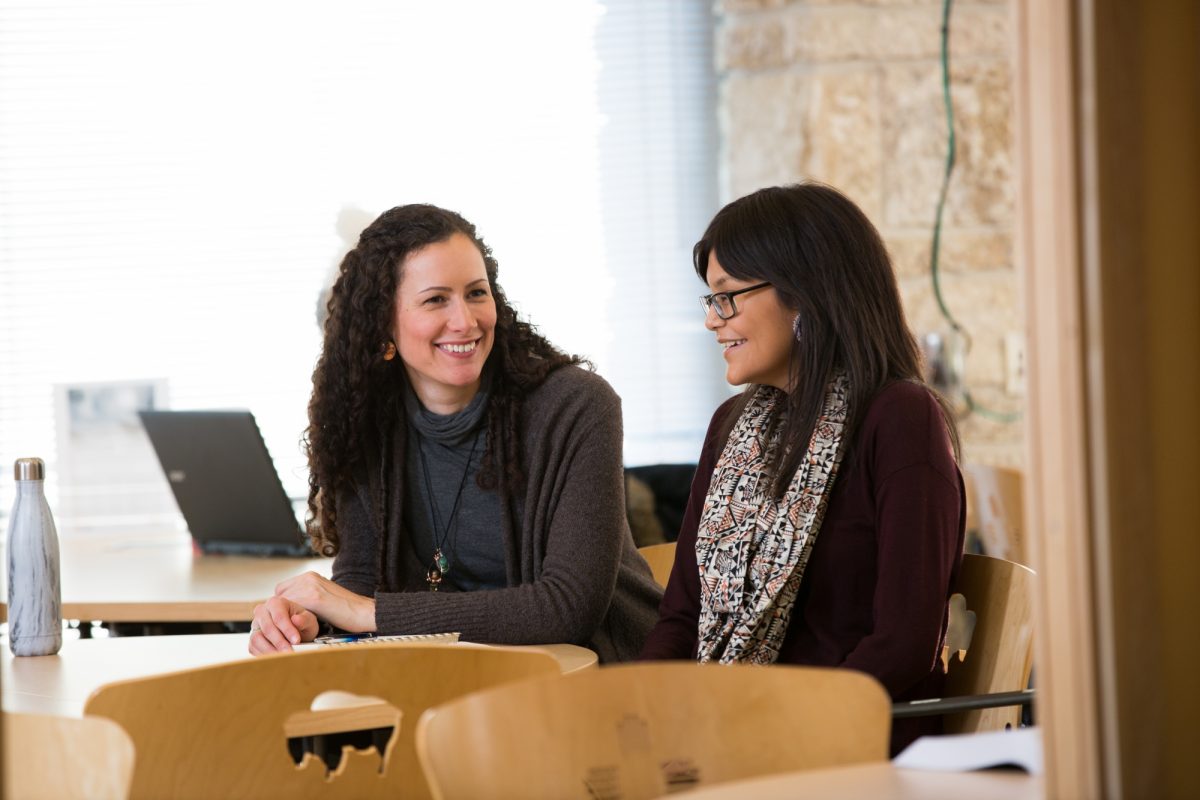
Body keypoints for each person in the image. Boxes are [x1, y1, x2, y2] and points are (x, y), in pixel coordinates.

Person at [250, 204, 661, 662]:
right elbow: (360, 580)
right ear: (382, 325)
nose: (466, 321)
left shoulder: (576, 407)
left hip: (610, 680)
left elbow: (566, 607)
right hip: (466, 678)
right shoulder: (367, 418)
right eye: (435, 299)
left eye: (476, 293)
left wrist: (367, 613)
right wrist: (312, 617)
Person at [639, 183, 966, 753]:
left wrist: (768, 728)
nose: (714, 321)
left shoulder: (899, 418)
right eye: (710, 300)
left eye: (728, 296)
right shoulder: (731, 426)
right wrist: (640, 713)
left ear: (806, 293)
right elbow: (682, 615)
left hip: (855, 746)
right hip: (741, 738)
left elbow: (902, 643)